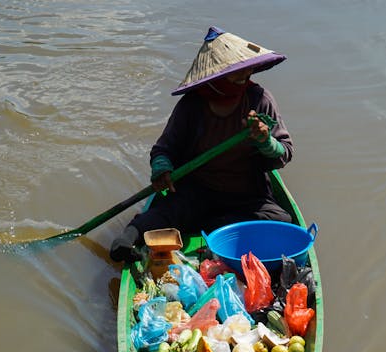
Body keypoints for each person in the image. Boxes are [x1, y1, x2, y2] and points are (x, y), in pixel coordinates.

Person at [110, 26, 294, 263]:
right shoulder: (192, 106)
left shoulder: (259, 100)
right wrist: (162, 169)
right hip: (198, 190)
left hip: (246, 195)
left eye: (246, 70)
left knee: (280, 221)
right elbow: (164, 149)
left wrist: (264, 140)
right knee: (168, 213)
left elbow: (284, 151)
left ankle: (217, 230)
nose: (245, 74)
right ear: (216, 77)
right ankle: (129, 237)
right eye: (236, 72)